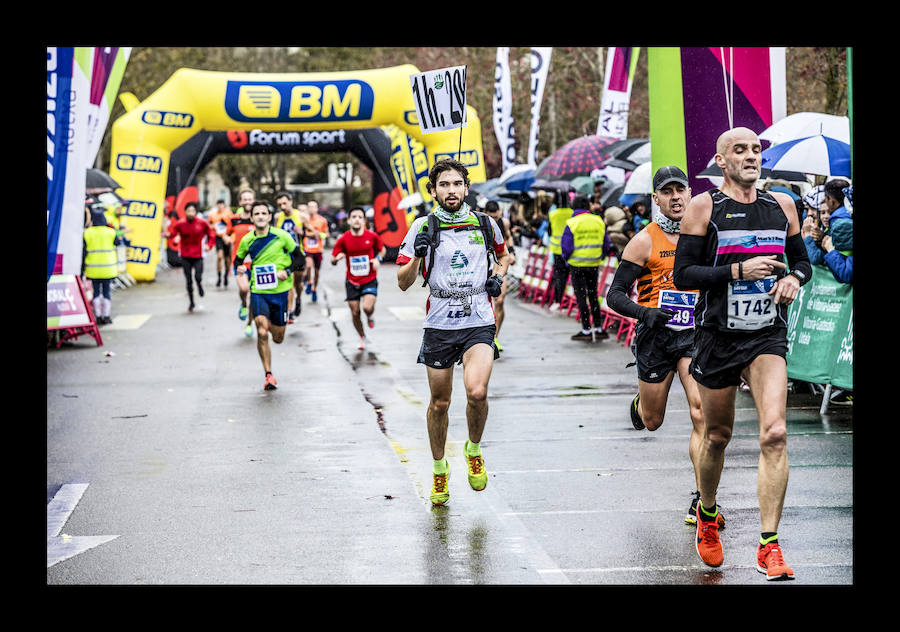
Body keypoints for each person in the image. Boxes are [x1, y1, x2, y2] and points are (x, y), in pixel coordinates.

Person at [673, 127, 812, 581]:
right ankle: (708, 512)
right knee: (717, 436)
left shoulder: (783, 205)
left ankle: (769, 544)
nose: (751, 156)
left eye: (755, 150)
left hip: (766, 334)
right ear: (721, 160)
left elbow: (802, 262)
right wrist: (737, 271)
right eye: (740, 150)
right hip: (718, 336)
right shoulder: (704, 206)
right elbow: (684, 275)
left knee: (775, 433)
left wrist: (794, 279)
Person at [606, 166, 726, 529]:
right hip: (655, 336)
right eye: (667, 192)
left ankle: (703, 500)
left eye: (680, 190)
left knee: (701, 414)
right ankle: (641, 404)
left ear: (689, 193)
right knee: (652, 421)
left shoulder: (704, 235)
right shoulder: (644, 240)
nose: (675, 197)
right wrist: (646, 313)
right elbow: (614, 295)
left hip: (694, 335)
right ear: (656, 198)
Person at [396, 158, 510, 506]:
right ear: (433, 191)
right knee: (440, 403)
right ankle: (439, 468)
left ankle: (473, 449)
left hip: (478, 318)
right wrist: (418, 255)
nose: (451, 190)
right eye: (444, 185)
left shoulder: (485, 223)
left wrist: (497, 276)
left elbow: (505, 256)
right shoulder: (422, 226)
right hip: (440, 324)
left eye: (457, 184)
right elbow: (402, 282)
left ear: (466, 188)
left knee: (477, 391)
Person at [234, 201, 306, 390]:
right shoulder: (247, 240)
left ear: (268, 217)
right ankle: (268, 374)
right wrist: (240, 268)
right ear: (251, 218)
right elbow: (237, 261)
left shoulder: (281, 236)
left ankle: (276, 329)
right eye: (256, 213)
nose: (260, 216)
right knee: (261, 330)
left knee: (278, 338)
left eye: (263, 213)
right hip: (259, 292)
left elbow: (300, 259)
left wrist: (287, 271)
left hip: (280, 292)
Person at [331, 206, 386, 350]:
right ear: (349, 220)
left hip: (369, 279)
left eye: (360, 217)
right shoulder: (343, 239)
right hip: (352, 281)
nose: (357, 219)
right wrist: (337, 259)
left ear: (364, 220)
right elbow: (332, 259)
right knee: (355, 312)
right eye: (354, 217)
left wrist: (378, 259)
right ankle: (362, 337)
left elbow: (382, 250)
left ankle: (370, 316)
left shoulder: (372, 236)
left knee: (367, 307)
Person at [560, 194, 611, 342]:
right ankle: (599, 328)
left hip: (577, 265)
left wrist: (566, 259)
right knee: (593, 295)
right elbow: (606, 243)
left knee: (581, 296)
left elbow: (566, 247)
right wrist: (601, 256)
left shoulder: (572, 223)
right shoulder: (598, 220)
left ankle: (586, 330)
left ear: (574, 207)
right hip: (594, 264)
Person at [166, 201, 216, 312]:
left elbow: (211, 235)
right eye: (189, 211)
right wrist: (174, 240)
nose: (191, 213)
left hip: (198, 254)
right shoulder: (180, 224)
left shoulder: (202, 223)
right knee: (188, 280)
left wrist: (209, 245)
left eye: (193, 211)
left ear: (195, 212)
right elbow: (173, 235)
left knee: (198, 276)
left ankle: (199, 284)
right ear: (185, 212)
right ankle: (192, 302)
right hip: (185, 255)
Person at [482, 200, 516, 351]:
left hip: (500, 263)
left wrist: (512, 253)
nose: (494, 221)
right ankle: (483, 336)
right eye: (491, 217)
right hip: (484, 265)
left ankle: (495, 337)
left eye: (496, 217)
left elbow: (508, 237)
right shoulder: (479, 222)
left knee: (500, 301)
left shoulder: (505, 223)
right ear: (485, 213)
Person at [82, 208, 121, 325]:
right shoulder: (110, 232)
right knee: (106, 292)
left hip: (93, 269)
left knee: (96, 293)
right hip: (108, 269)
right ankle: (107, 316)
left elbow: (84, 250)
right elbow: (118, 243)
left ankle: (98, 316)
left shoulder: (87, 233)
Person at [274, 191, 307, 321]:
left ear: (291, 202)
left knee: (298, 284)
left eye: (284, 203)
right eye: (279, 205)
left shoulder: (301, 216)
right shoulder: (278, 217)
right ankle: (290, 310)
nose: (282, 207)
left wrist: (302, 232)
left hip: (299, 254)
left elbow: (314, 234)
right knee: (290, 284)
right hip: (285, 256)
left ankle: (299, 299)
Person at [231, 190, 257, 335]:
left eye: (250, 199)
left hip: (256, 263)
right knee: (244, 289)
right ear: (240, 202)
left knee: (254, 295)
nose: (247, 202)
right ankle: (243, 304)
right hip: (240, 261)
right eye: (245, 199)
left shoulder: (258, 219)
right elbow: (226, 232)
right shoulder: (234, 219)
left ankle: (249, 324)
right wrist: (226, 238)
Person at [546, 192, 573, 311]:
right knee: (572, 277)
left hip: (557, 250)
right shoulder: (572, 213)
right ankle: (570, 302)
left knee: (560, 276)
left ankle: (558, 300)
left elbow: (549, 231)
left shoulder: (553, 214)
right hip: (571, 250)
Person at [302, 199, 329, 303]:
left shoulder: (322, 220)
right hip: (307, 248)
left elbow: (326, 234)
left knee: (317, 272)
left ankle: (314, 289)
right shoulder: (304, 220)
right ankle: (309, 282)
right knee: (308, 265)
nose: (311, 209)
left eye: (313, 207)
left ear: (317, 209)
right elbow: (302, 233)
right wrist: (312, 234)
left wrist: (320, 235)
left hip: (318, 249)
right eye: (309, 207)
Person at [208, 199, 234, 289]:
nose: (220, 206)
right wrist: (213, 226)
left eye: (221, 204)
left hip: (227, 237)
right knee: (219, 257)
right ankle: (219, 277)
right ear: (216, 205)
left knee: (227, 259)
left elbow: (233, 225)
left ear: (224, 205)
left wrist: (230, 237)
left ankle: (226, 275)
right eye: (218, 204)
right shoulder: (212, 215)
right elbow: (209, 225)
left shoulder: (229, 213)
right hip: (218, 237)